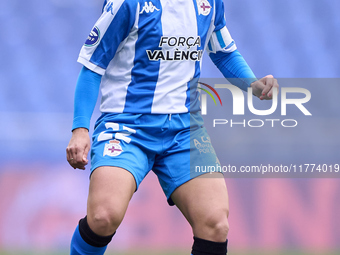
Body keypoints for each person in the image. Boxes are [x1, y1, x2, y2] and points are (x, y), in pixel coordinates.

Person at [66, 0, 279, 254]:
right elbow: (92, 67)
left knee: (215, 224)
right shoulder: (127, 5)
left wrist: (253, 84)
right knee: (103, 216)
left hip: (184, 129)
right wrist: (80, 129)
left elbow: (223, 51)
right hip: (127, 126)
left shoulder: (209, 4)